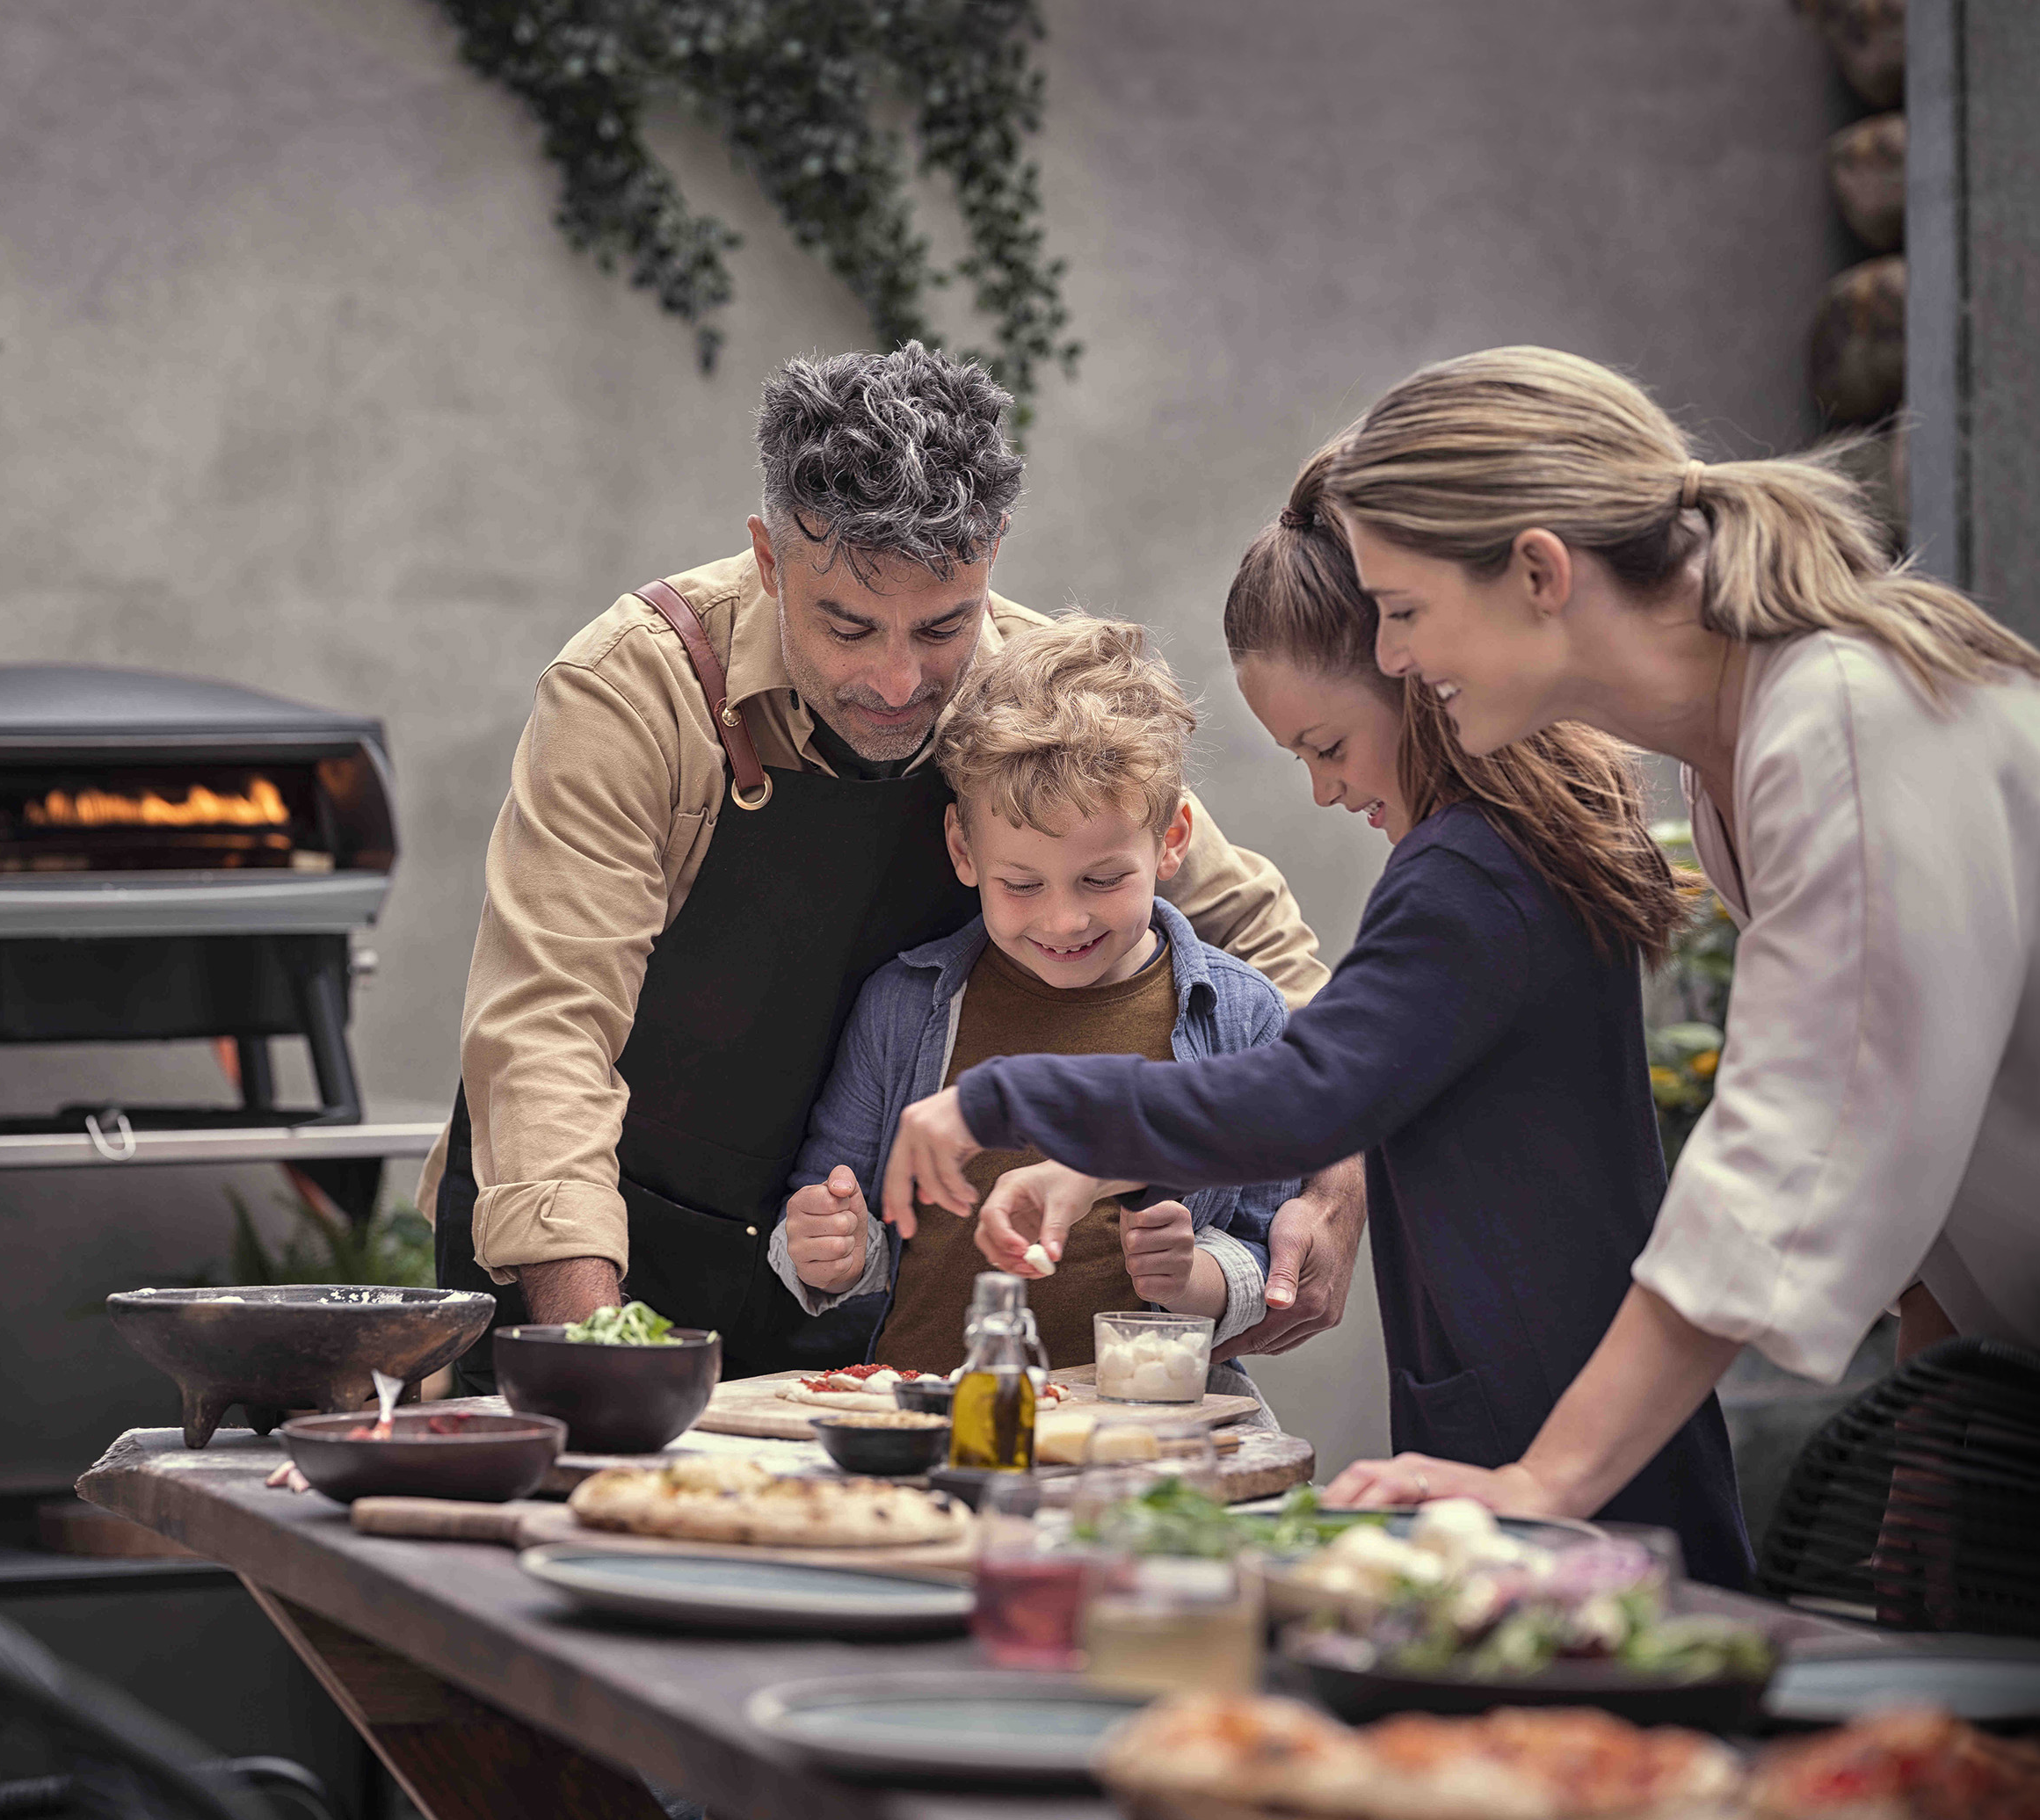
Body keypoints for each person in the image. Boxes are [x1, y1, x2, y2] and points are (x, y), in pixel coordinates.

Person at [877, 444, 1755, 1585]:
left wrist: (999, 1098)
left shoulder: (1464, 876)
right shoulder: (1497, 854)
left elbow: (1303, 1095)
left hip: (1554, 1428)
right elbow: (1345, 1075)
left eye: (1327, 746)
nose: (1322, 791)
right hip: (1543, 1399)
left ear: (1416, 672)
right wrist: (1086, 1175)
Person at [423, 343, 1365, 1384]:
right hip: (604, 1248)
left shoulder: (1031, 693)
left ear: (994, 551)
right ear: (771, 558)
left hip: (848, 1289)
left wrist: (1338, 1180)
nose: (898, 678)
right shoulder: (631, 691)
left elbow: (1266, 943)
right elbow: (545, 1033)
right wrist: (598, 1352)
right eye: (848, 625)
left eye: (944, 624)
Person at [1298, 344, 2040, 1519]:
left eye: (1400, 610)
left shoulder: (1844, 716)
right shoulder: (1739, 753)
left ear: (1538, 569)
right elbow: (1932, 1106)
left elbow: (1801, 1126)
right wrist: (1938, 1434)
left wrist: (1549, 1477)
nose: (1389, 657)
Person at [770, 615, 1296, 1378]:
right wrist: (827, 1247)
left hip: (1147, 1430)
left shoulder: (1243, 1016)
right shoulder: (905, 1006)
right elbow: (837, 1220)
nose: (1064, 919)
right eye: (1021, 884)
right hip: (927, 1418)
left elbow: (1266, 1247)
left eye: (1104, 879)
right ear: (963, 851)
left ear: (1173, 840)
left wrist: (1194, 1281)